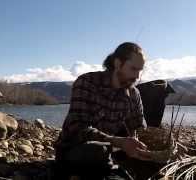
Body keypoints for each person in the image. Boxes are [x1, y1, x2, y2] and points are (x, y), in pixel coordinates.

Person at [55, 42, 154, 179]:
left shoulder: (133, 93)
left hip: (110, 149)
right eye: (133, 69)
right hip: (74, 149)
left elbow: (139, 128)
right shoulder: (86, 82)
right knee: (98, 151)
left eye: (140, 70)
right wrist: (119, 142)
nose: (137, 76)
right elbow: (78, 128)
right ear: (118, 63)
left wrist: (162, 146)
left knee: (150, 158)